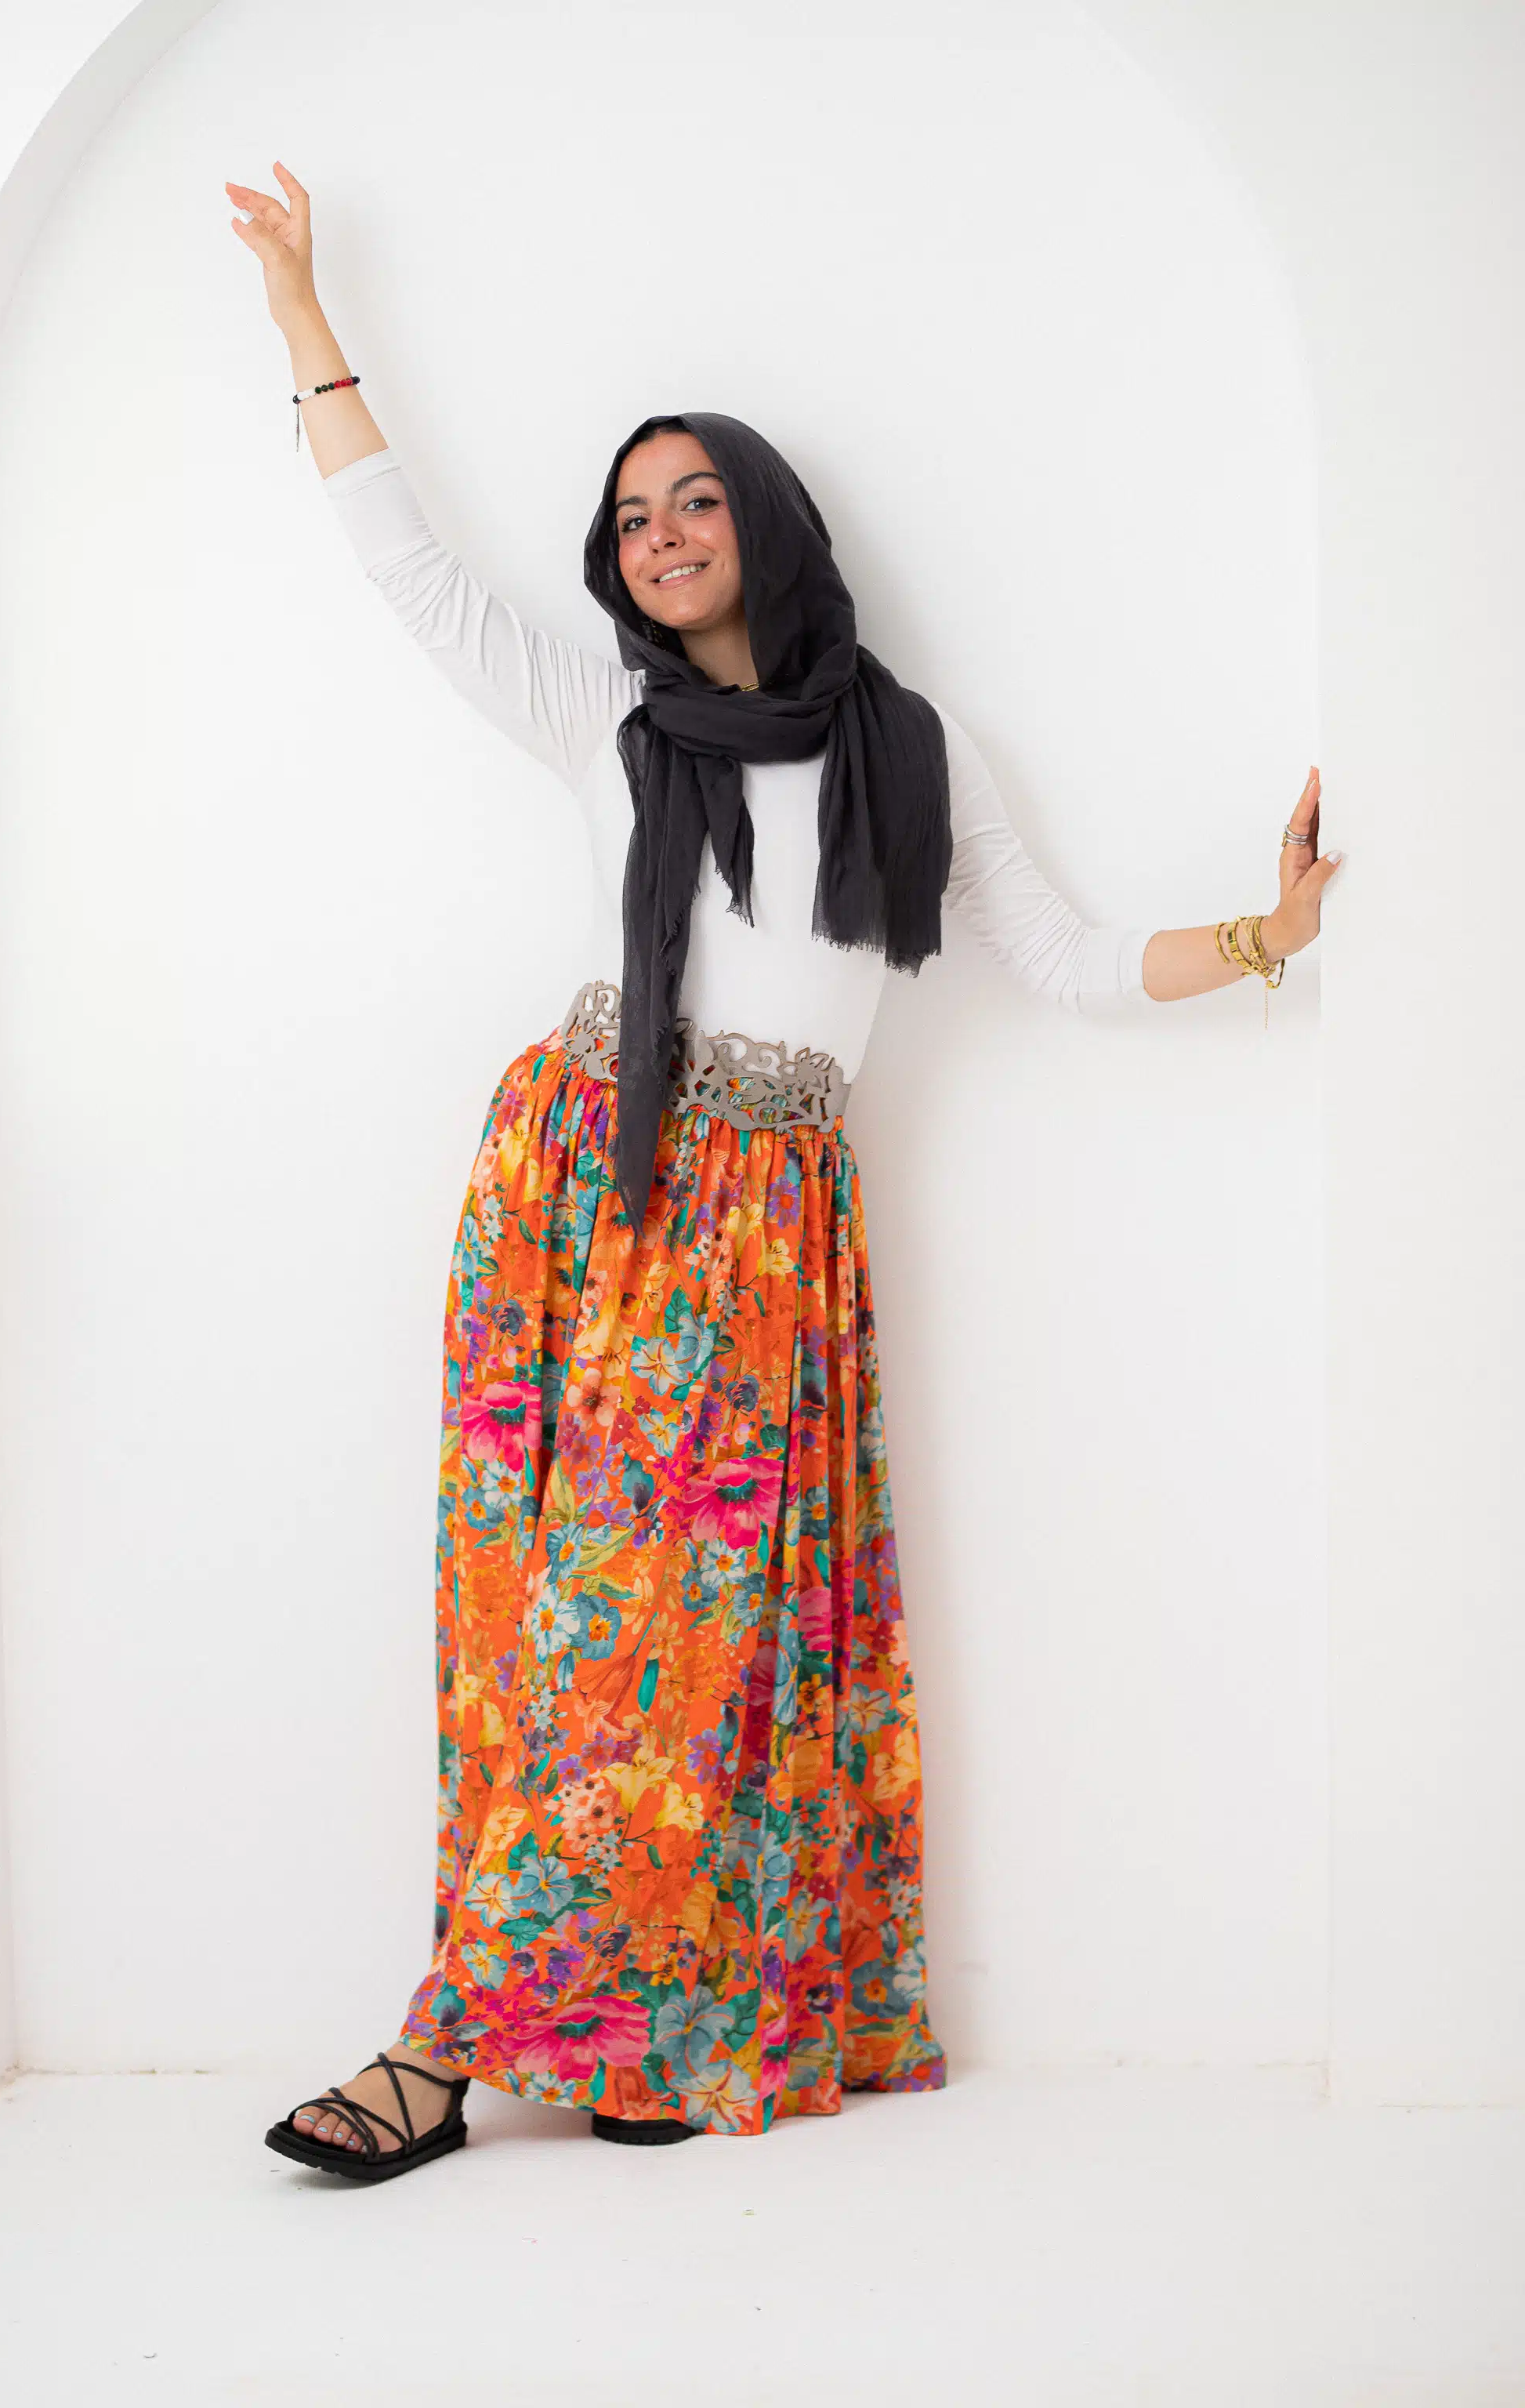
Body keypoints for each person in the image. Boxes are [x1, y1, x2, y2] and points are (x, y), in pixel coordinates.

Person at [230, 162, 1340, 2183]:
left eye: (692, 503)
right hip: (580, 1178)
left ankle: (611, 2021)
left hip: (759, 1239)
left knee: (683, 1642)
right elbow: (412, 574)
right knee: (544, 1629)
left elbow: (1070, 962)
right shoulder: (606, 716)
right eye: (628, 519)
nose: (657, 537)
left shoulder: (913, 751)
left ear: (767, 518)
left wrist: (1274, 937)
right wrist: (307, 309)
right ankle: (494, 2048)